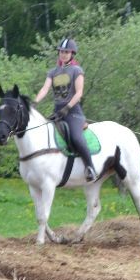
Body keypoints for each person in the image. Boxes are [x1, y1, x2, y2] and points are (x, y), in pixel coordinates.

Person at [33, 37, 95, 181]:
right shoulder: (53, 72)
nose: (63, 54)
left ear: (72, 54)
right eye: (61, 52)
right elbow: (45, 88)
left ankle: (90, 167)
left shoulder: (77, 70)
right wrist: (34, 102)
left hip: (73, 112)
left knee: (76, 138)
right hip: (58, 111)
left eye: (66, 52)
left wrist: (67, 107)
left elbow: (79, 93)